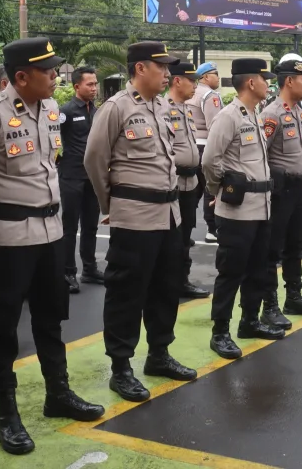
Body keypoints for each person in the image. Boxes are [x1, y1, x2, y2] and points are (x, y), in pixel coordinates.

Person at [0, 38, 104, 455]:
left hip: (51, 235)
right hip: (9, 240)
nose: (57, 76)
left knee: (50, 320)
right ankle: (6, 414)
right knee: (2, 329)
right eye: (49, 71)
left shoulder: (51, 110)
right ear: (21, 76)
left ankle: (58, 394)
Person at [84, 42, 196, 402]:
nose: (168, 74)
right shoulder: (116, 108)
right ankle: (121, 368)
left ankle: (159, 354)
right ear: (140, 69)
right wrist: (113, 203)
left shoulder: (164, 106)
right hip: (134, 216)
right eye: (162, 67)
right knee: (127, 292)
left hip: (169, 214)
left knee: (166, 287)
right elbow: (94, 160)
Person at [204, 58, 282, 359]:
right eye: (265, 79)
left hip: (261, 208)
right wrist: (218, 190)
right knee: (231, 272)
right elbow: (210, 160)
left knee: (258, 270)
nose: (268, 84)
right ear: (251, 82)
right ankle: (220, 332)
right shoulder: (229, 116)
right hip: (237, 212)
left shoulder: (255, 114)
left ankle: (249, 321)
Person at [259, 59, 302, 331]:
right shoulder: (272, 113)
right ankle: (269, 305)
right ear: (288, 81)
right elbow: (260, 155)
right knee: (272, 249)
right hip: (280, 190)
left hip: (298, 188)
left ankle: (294, 297)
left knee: (295, 244)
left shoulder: (297, 111)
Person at [164, 62, 210, 299]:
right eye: (192, 80)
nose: (195, 85)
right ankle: (170, 282)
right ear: (177, 81)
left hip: (190, 183)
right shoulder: (163, 109)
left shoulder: (186, 110)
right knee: (172, 238)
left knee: (185, 236)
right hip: (173, 184)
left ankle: (182, 279)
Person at [58, 66, 102, 294]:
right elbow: (53, 139)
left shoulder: (96, 111)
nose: (94, 88)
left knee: (91, 225)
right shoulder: (65, 111)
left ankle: (90, 268)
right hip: (71, 176)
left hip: (92, 177)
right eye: (90, 84)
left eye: (95, 84)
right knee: (70, 226)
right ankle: (68, 272)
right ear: (77, 86)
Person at [186, 62, 223, 242]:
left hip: (191, 145)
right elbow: (214, 126)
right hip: (206, 145)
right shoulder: (210, 95)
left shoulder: (189, 92)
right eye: (215, 73)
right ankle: (211, 229)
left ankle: (185, 229)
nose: (218, 77)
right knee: (211, 188)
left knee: (194, 190)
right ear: (205, 77)